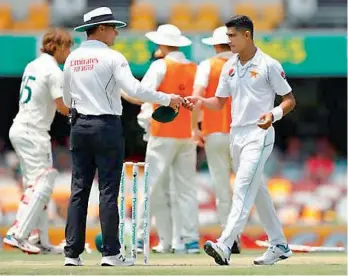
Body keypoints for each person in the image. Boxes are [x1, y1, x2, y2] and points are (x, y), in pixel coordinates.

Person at [62, 7, 183, 267]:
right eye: (113, 28)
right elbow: (135, 88)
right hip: (105, 126)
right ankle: (110, 254)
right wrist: (167, 98)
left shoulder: (72, 59)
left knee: (78, 190)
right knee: (108, 190)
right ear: (102, 28)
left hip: (79, 126)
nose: (116, 32)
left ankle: (72, 254)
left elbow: (65, 98)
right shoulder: (113, 57)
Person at [184, 15, 296, 265]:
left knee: (243, 187)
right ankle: (279, 244)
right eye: (228, 36)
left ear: (247, 35)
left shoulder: (268, 64)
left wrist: (273, 114)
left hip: (260, 133)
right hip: (236, 134)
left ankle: (225, 244)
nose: (229, 41)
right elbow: (220, 102)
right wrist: (201, 102)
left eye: (233, 36)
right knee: (256, 190)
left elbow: (289, 99)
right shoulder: (229, 66)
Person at [4, 28, 72, 254]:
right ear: (59, 47)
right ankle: (18, 233)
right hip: (34, 133)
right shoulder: (53, 71)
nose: (68, 52)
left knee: (35, 185)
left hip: (21, 128)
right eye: (68, 47)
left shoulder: (32, 65)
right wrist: (82, 113)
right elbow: (62, 106)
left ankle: (38, 238)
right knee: (44, 182)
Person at [135, 24, 200, 254]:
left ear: (161, 44)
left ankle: (140, 238)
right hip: (187, 135)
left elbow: (142, 94)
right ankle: (189, 241)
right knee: (186, 190)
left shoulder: (160, 66)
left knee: (152, 187)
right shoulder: (195, 68)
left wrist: (124, 94)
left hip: (162, 133)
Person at [191, 26, 241, 254]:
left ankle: (229, 238)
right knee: (245, 187)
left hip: (214, 133)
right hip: (241, 133)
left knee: (222, 188)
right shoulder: (244, 64)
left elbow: (198, 96)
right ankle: (242, 232)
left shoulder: (207, 66)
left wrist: (195, 127)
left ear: (214, 45)